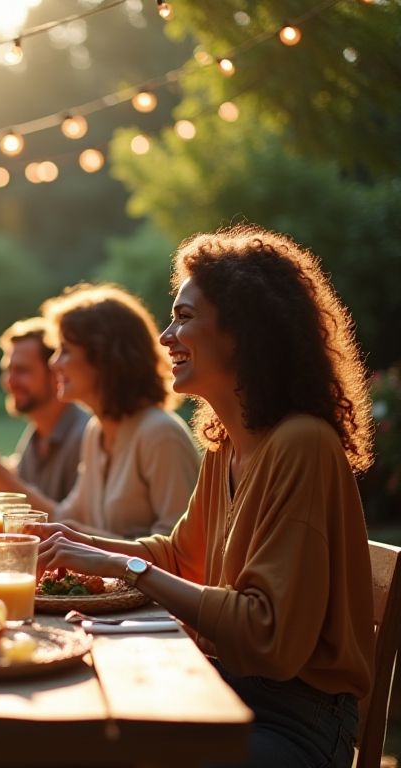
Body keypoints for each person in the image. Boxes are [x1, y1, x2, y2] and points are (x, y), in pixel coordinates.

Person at [34, 225, 375, 767]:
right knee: (65, 725)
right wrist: (75, 543)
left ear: (244, 330)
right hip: (223, 689)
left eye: (185, 317)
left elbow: (268, 636)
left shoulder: (302, 446)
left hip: (295, 723)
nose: (167, 335)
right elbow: (180, 557)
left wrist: (120, 564)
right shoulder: (226, 443)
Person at [39, 283, 200, 538]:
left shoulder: (160, 434)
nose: (53, 362)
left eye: (65, 350)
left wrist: (84, 540)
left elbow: (182, 549)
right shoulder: (96, 431)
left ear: (104, 357)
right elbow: (65, 520)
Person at [0, 317, 89, 503]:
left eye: (22, 370)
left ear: (56, 373)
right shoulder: (35, 436)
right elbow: (17, 509)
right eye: (7, 370)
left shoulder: (84, 436)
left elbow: (69, 521)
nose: (9, 381)